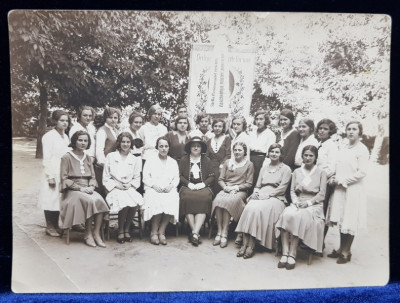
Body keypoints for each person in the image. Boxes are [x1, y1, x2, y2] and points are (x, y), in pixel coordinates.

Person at [235, 144, 291, 258]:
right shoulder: (264, 167)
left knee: (258, 209)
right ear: (268, 153)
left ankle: (251, 245)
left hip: (276, 197)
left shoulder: (286, 169)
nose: (274, 154)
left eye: (276, 152)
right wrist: (255, 192)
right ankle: (244, 244)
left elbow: (282, 188)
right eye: (272, 152)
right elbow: (258, 184)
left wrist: (268, 195)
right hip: (261, 194)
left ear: (281, 154)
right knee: (249, 207)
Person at [275, 145, 327, 269]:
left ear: (315, 158)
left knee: (300, 216)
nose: (308, 158)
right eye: (306, 155)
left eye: (311, 156)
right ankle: (285, 252)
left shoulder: (321, 172)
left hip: (314, 204)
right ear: (302, 156)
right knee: (286, 214)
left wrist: (309, 203)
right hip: (298, 201)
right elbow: (292, 190)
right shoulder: (297, 171)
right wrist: (296, 201)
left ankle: (292, 253)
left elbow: (322, 194)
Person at [325, 121, 369, 264]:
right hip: (339, 188)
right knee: (340, 218)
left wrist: (343, 180)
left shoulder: (362, 149)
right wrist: (333, 176)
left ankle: (346, 251)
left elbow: (362, 172)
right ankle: (339, 248)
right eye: (349, 129)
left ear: (359, 132)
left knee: (350, 219)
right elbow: (337, 165)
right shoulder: (343, 147)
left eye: (354, 129)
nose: (351, 132)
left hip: (353, 188)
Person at [60, 131, 109, 247]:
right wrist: (80, 189)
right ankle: (88, 234)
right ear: (74, 141)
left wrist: (91, 186)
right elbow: (64, 179)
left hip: (87, 188)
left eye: (85, 141)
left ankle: (96, 233)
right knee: (90, 201)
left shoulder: (87, 157)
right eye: (80, 140)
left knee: (100, 200)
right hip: (72, 191)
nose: (83, 143)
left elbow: (92, 176)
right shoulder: (66, 157)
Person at [103, 132, 144, 244]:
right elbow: (106, 177)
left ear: (131, 144)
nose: (125, 144)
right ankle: (120, 230)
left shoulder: (134, 159)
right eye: (123, 142)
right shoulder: (111, 157)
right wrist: (116, 185)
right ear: (119, 143)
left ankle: (127, 228)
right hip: (114, 187)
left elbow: (137, 177)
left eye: (128, 142)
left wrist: (130, 185)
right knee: (125, 203)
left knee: (135, 202)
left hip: (128, 187)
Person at [211, 142, 254, 248]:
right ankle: (219, 232)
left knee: (229, 202)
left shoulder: (249, 164)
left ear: (244, 152)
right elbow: (220, 179)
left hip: (240, 191)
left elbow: (249, 183)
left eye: (240, 150)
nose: (237, 152)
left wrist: (236, 188)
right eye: (235, 150)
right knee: (217, 200)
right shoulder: (227, 162)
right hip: (227, 189)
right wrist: (226, 188)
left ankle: (225, 232)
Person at [38, 110, 70, 237]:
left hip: (62, 171)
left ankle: (56, 225)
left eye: (66, 120)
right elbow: (47, 158)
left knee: (58, 199)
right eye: (62, 120)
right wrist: (50, 176)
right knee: (49, 198)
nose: (64, 123)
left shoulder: (66, 136)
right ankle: (49, 226)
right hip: (52, 170)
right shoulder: (49, 136)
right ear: (55, 122)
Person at [142, 137, 180, 245]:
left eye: (166, 146)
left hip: (168, 188)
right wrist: (154, 185)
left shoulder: (173, 162)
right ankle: (154, 232)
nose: (163, 149)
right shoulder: (150, 160)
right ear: (157, 147)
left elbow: (176, 178)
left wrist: (171, 186)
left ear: (169, 148)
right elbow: (145, 177)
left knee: (172, 198)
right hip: (153, 188)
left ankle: (162, 231)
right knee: (156, 199)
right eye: (161, 146)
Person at [179, 137, 215, 246]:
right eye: (193, 146)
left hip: (203, 187)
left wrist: (203, 184)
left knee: (204, 198)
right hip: (187, 187)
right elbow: (179, 175)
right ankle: (195, 233)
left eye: (198, 146)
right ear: (189, 148)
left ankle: (194, 233)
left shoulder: (207, 160)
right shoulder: (184, 159)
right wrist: (187, 183)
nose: (195, 148)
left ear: (201, 148)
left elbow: (212, 176)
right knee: (187, 198)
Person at [315, 119, 338, 242]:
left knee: (321, 210)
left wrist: (320, 178)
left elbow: (331, 168)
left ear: (331, 131)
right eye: (320, 128)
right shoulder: (319, 143)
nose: (322, 131)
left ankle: (319, 243)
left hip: (324, 183)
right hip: (314, 181)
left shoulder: (332, 146)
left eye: (325, 129)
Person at [94, 106, 121, 197]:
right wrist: (106, 166)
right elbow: (99, 151)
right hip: (103, 168)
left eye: (115, 118)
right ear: (105, 118)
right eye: (110, 117)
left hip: (113, 167)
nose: (113, 120)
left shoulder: (115, 130)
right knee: (103, 193)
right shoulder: (102, 131)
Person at [249, 110, 276, 191]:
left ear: (266, 120)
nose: (258, 121)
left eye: (261, 119)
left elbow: (269, 153)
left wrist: (265, 166)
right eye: (257, 119)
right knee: (249, 180)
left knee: (257, 181)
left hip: (261, 160)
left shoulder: (270, 134)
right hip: (250, 158)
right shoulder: (252, 133)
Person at [206, 118, 231, 194]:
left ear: (223, 128)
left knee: (220, 186)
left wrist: (222, 166)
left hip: (222, 167)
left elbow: (228, 154)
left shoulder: (227, 139)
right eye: (215, 126)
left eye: (220, 126)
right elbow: (207, 156)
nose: (217, 128)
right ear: (212, 127)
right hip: (211, 166)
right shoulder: (209, 140)